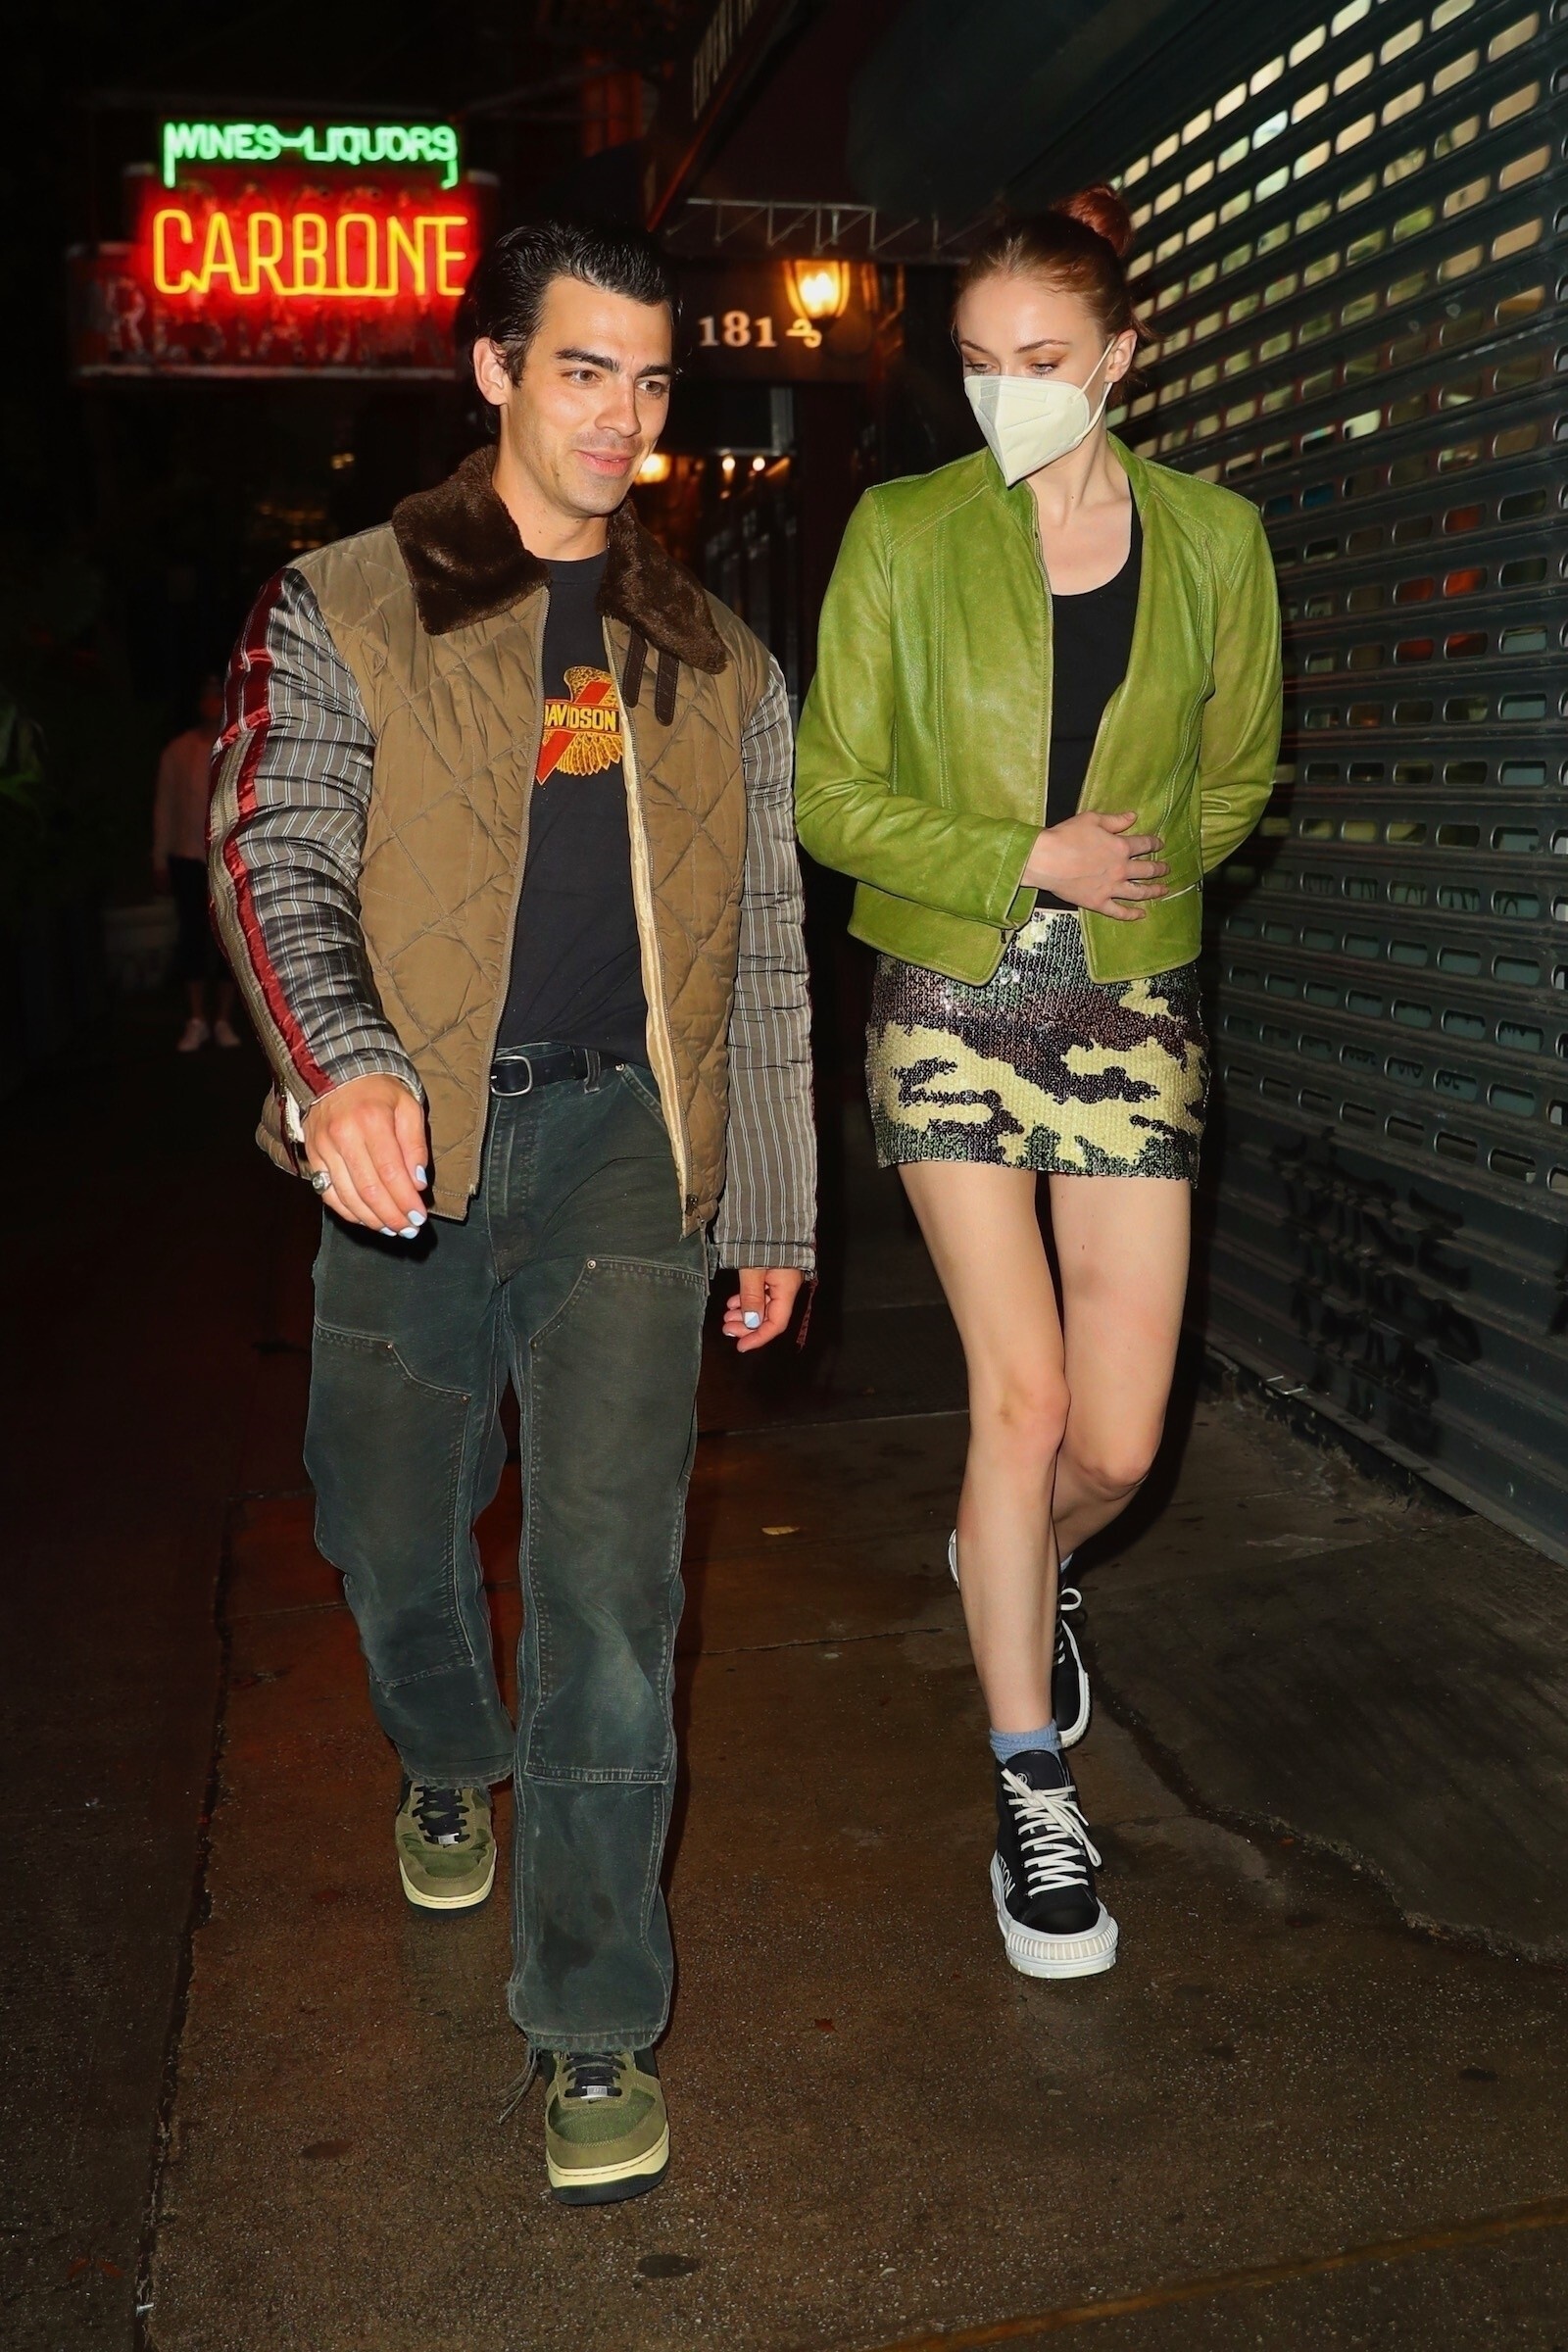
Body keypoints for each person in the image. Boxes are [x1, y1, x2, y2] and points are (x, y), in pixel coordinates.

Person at [209, 222, 815, 2204]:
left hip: (624, 1143)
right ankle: (444, 1753)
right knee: (385, 1520)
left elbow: (764, 949)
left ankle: (588, 2020)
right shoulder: (348, 600)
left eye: (652, 383)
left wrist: (774, 1202)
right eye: (581, 371)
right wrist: (344, 1061)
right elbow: (274, 840)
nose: (623, 420)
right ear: (492, 369)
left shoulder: (715, 657)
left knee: (612, 1596)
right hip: (413, 1140)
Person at [796, 188, 1281, 1985]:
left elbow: (1242, 768)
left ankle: (1010, 1560)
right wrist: (1025, 859)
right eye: (980, 361)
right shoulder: (905, 533)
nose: (1009, 390)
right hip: (948, 985)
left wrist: (1140, 876)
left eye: (1047, 358)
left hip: (1132, 1001)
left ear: (1123, 356)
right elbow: (828, 793)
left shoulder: (1216, 540)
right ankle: (1030, 1789)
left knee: (1118, 1444)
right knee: (1023, 1401)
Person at [152, 676, 241, 1051]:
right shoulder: (178, 750)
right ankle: (196, 1018)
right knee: (191, 936)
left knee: (228, 938)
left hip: (227, 857)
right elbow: (165, 805)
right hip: (187, 856)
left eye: (216, 695)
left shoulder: (237, 742)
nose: (210, 703)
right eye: (205, 696)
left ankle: (223, 1019)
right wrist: (160, 857)